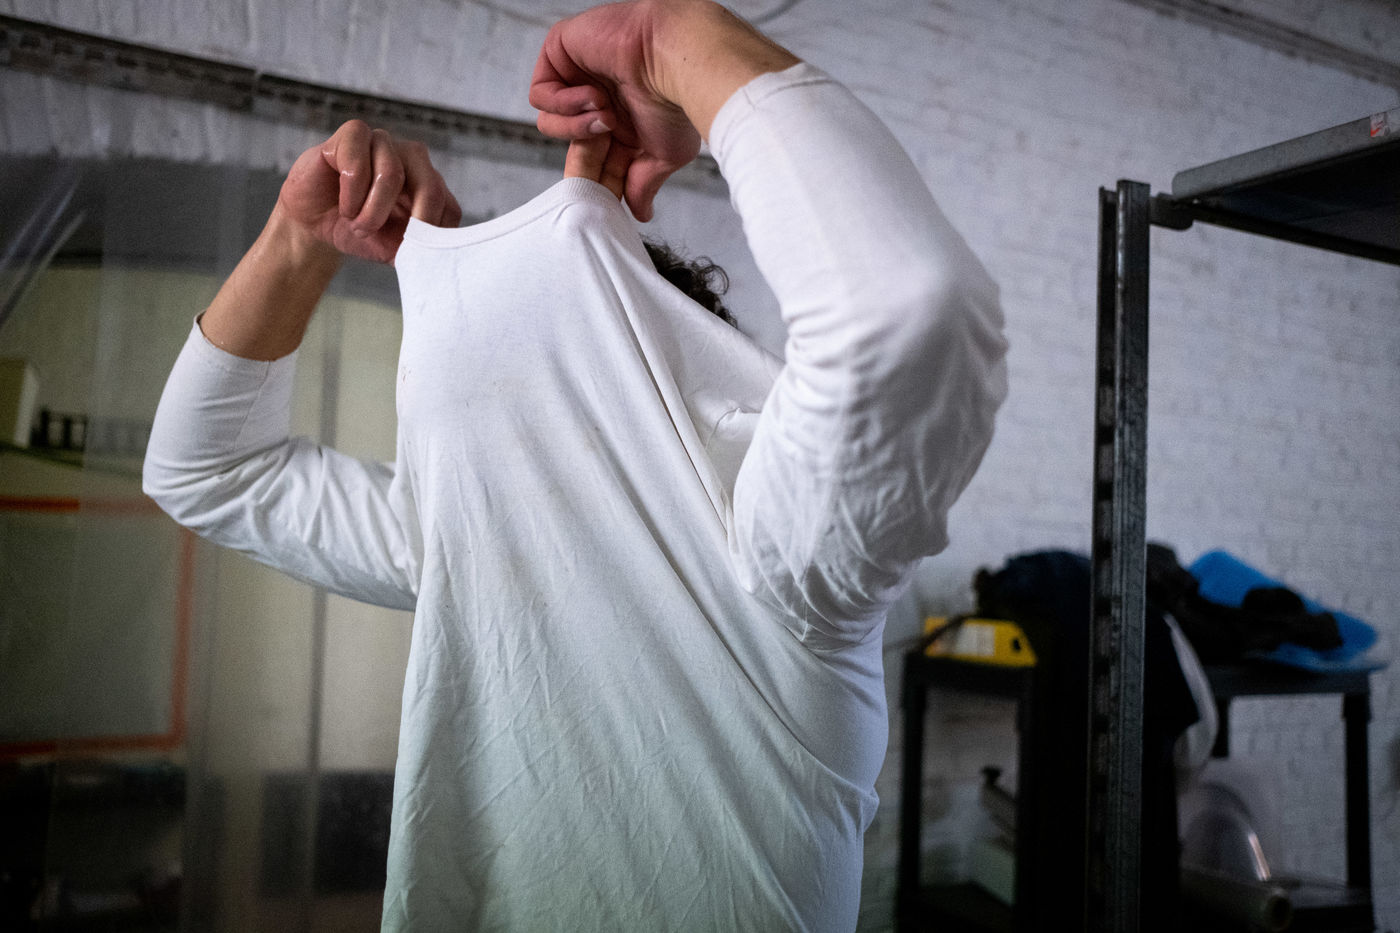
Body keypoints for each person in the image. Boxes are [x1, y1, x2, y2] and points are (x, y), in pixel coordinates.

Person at [143, 0, 1008, 929]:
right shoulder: (473, 536)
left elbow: (907, 312)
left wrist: (667, 37)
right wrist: (299, 239)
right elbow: (208, 469)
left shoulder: (771, 543)